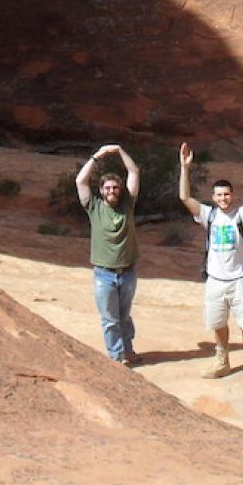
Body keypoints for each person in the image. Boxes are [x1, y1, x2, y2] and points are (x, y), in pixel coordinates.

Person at [178, 141, 243, 384]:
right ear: (213, 197)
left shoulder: (241, 215)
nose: (223, 198)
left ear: (232, 195)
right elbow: (184, 197)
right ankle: (223, 361)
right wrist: (185, 168)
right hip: (216, 279)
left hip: (239, 279)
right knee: (218, 322)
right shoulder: (209, 215)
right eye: (219, 195)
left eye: (227, 194)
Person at [77, 144, 141, 365]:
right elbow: (80, 181)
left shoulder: (127, 205)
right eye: (107, 188)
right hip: (104, 274)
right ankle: (116, 357)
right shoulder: (93, 206)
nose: (111, 191)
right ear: (101, 190)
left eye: (115, 187)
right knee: (110, 319)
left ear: (120, 189)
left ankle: (128, 350)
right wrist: (98, 155)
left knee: (124, 316)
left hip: (128, 272)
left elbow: (134, 172)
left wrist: (120, 151)